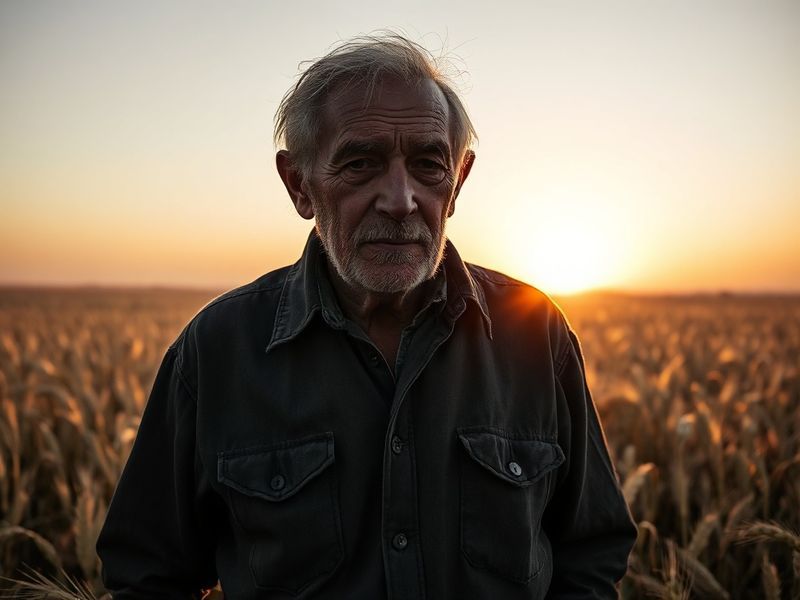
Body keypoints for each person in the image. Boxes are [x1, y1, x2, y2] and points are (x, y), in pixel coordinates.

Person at [97, 33, 637, 599]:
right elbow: (148, 576)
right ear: (299, 185)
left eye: (429, 165)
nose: (400, 200)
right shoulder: (216, 351)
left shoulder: (535, 335)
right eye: (361, 164)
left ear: (458, 183)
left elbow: (591, 554)